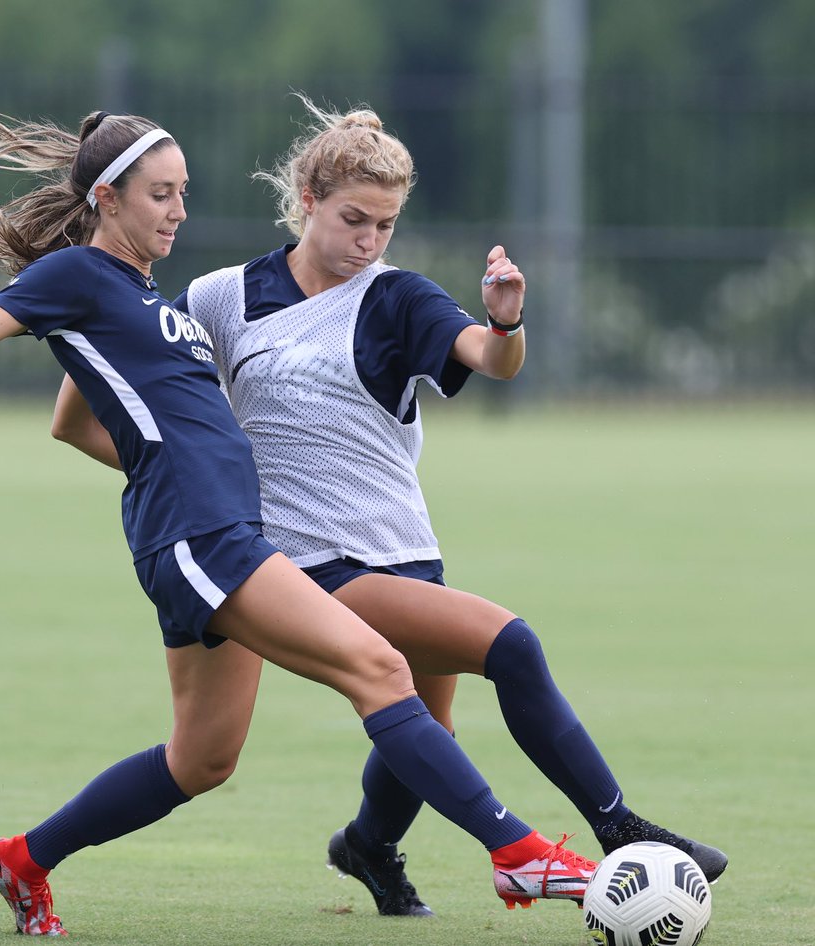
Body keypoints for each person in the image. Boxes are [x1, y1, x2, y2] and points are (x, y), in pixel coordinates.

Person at [0, 101, 599, 938]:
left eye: (183, 192)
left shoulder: (140, 292)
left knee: (203, 759)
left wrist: (163, 462)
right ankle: (518, 853)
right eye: (161, 194)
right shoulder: (72, 275)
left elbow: (74, 421)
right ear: (108, 198)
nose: (179, 210)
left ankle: (23, 860)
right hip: (201, 536)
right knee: (379, 667)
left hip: (204, 532)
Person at [52, 95, 728, 922]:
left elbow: (491, 359)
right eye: (353, 219)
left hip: (401, 547)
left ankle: (366, 846)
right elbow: (82, 417)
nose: (369, 240)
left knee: (420, 737)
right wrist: (188, 477)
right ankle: (619, 828)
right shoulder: (220, 298)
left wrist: (507, 322)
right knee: (510, 645)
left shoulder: (398, 296)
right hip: (300, 560)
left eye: (385, 224)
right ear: (308, 201)